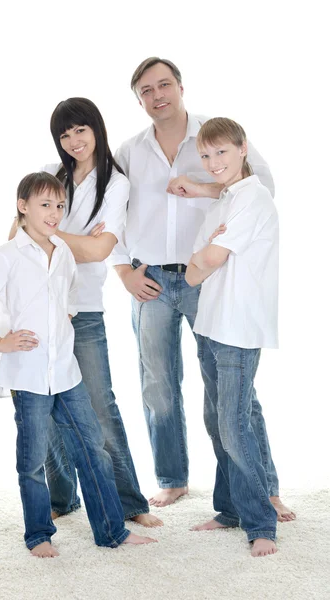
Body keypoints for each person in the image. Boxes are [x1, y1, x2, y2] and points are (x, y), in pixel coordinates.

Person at [111, 57, 294, 521]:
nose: (158, 95)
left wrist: (201, 187)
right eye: (147, 90)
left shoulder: (213, 136)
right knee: (158, 385)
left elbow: (260, 185)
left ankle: (262, 487)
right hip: (149, 276)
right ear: (139, 100)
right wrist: (124, 272)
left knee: (229, 389)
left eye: (164, 84)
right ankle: (172, 479)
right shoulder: (130, 150)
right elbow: (105, 212)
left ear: (180, 86)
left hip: (206, 277)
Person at [0, 172, 156, 557]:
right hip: (28, 375)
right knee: (32, 461)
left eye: (60, 205)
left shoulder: (62, 250)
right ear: (23, 207)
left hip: (65, 371)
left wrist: (63, 316)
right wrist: (0, 341)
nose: (54, 213)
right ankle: (39, 535)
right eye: (45, 205)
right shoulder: (7, 255)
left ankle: (112, 531)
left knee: (92, 450)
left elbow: (67, 295)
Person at [8, 98, 161, 527]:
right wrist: (69, 236)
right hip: (39, 307)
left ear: (96, 128)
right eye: (65, 134)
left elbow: (100, 250)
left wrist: (50, 232)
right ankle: (63, 497)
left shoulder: (115, 184)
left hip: (84, 308)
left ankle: (129, 502)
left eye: (80, 130)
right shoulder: (53, 174)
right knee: (45, 403)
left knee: (98, 406)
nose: (74, 141)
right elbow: (16, 232)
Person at [182, 117, 279, 557]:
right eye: (206, 155)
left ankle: (261, 522)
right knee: (215, 421)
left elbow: (211, 258)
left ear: (242, 149)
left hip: (237, 326)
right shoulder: (223, 202)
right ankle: (230, 509)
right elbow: (192, 269)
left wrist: (205, 257)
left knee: (234, 424)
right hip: (210, 323)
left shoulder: (253, 197)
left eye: (221, 152)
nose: (213, 161)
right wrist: (203, 258)